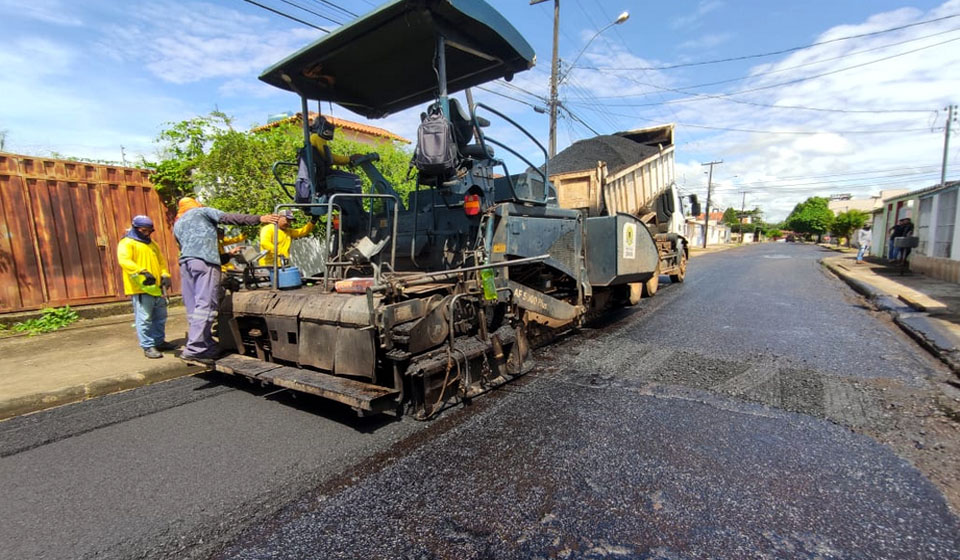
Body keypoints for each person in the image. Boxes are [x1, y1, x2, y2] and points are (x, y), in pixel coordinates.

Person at [173, 197, 280, 364]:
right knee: (206, 305)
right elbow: (229, 218)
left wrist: (227, 256)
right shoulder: (201, 211)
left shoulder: (178, 223)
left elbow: (184, 247)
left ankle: (206, 344)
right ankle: (195, 349)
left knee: (194, 307)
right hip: (205, 263)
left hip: (186, 265)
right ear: (196, 205)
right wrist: (260, 218)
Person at [116, 215, 175, 359]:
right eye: (144, 230)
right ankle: (148, 346)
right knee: (145, 318)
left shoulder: (151, 244)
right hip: (141, 287)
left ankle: (159, 341)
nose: (147, 233)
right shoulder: (127, 243)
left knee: (160, 317)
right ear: (136, 228)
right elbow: (124, 260)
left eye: (150, 231)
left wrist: (165, 274)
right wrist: (141, 271)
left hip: (157, 287)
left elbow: (161, 261)